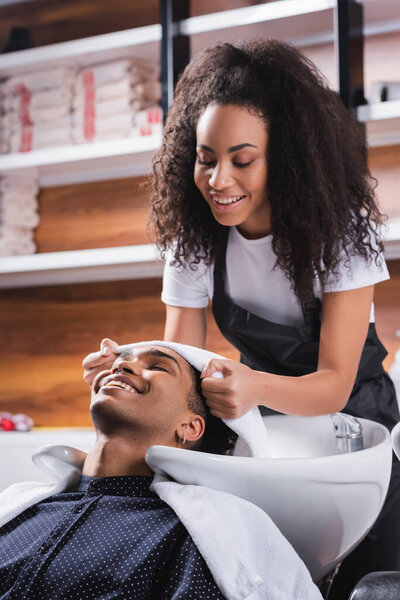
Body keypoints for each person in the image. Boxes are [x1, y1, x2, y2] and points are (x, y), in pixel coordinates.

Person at [83, 40, 400, 599]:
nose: (219, 180)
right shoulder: (196, 243)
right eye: (207, 158)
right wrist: (130, 372)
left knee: (368, 581)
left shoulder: (341, 236)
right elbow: (179, 364)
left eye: (242, 160)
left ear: (287, 158)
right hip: (262, 431)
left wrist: (251, 385)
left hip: (353, 428)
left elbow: (333, 385)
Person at [0, 344, 236, 600]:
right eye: (118, 364)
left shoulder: (189, 539)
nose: (122, 366)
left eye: (157, 366)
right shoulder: (19, 510)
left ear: (189, 427)